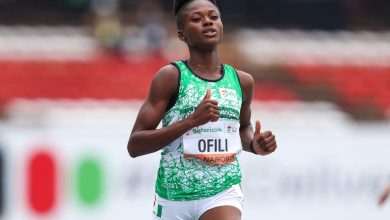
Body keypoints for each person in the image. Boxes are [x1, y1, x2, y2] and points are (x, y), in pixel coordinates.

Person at [127, 0, 277, 219]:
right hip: (173, 197)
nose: (208, 22)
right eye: (197, 19)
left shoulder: (243, 82)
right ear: (182, 35)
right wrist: (191, 121)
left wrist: (254, 144)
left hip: (222, 191)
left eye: (213, 17)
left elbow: (242, 128)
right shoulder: (170, 77)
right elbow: (135, 145)